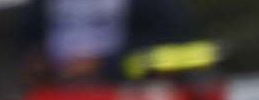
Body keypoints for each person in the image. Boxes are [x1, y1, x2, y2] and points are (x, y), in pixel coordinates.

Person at [20, 0, 196, 83]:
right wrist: (37, 63)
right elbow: (28, 39)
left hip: (126, 96)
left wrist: (105, 65)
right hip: (57, 98)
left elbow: (173, 47)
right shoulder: (38, 6)